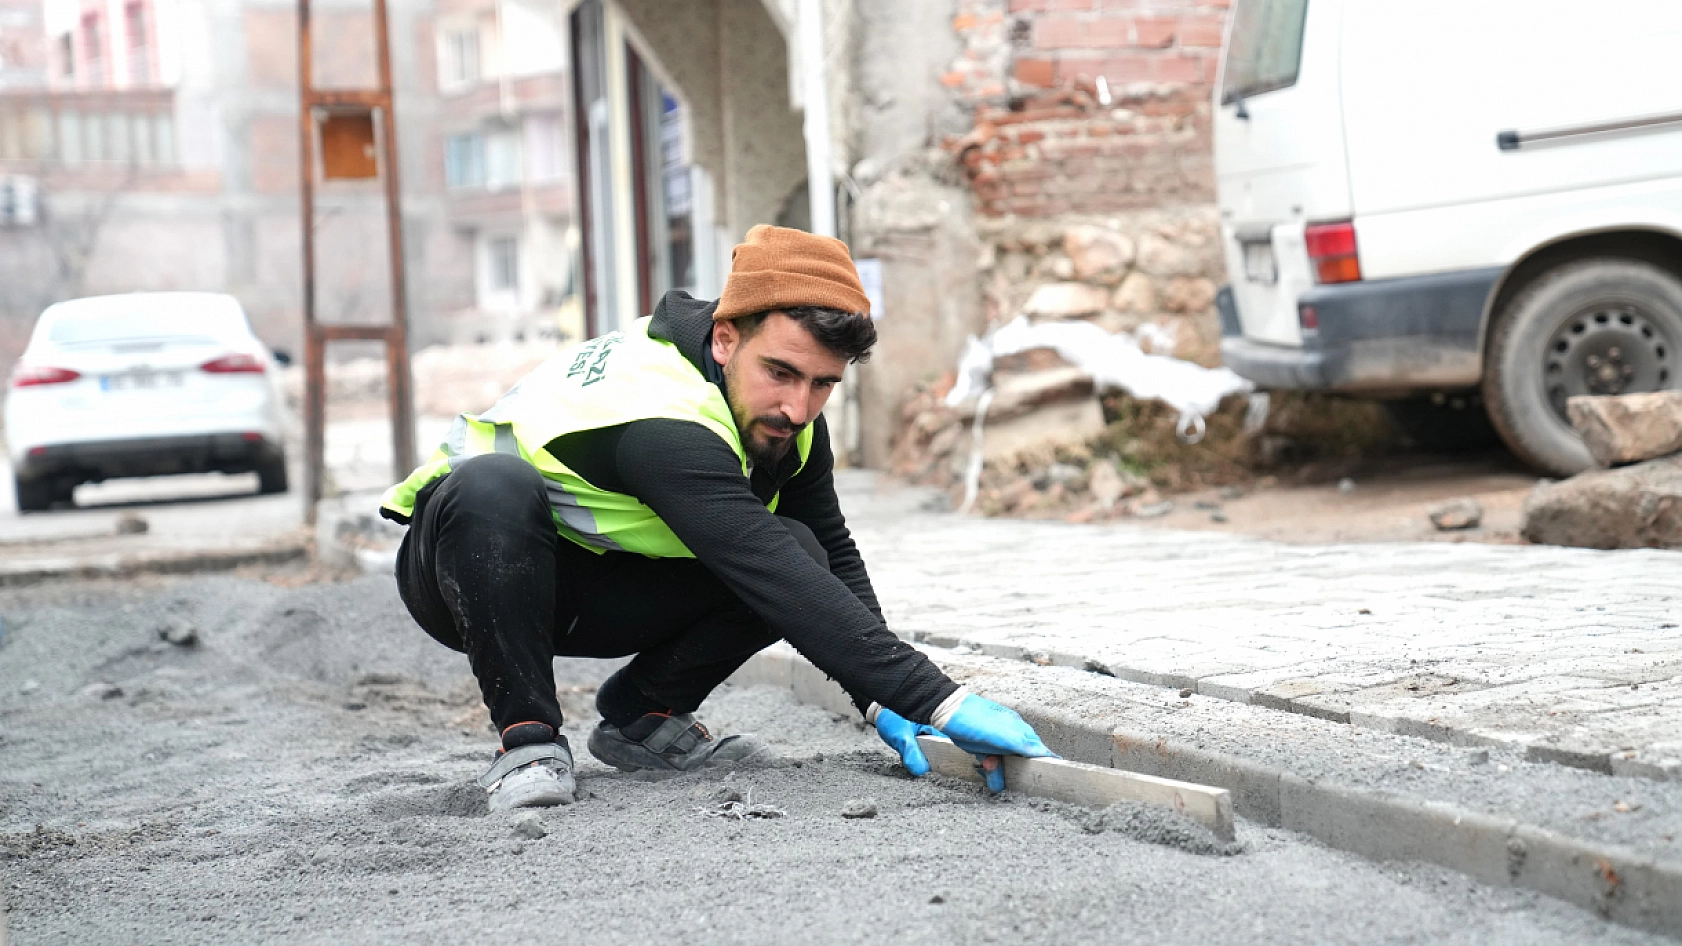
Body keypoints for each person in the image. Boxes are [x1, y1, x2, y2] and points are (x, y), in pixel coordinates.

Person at [381, 225, 1053, 811]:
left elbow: (828, 556)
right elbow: (762, 565)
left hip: (599, 584)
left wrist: (886, 703)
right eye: (783, 373)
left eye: (824, 383)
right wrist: (945, 701)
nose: (799, 406)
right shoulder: (663, 416)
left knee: (802, 545)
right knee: (496, 484)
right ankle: (525, 743)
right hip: (467, 573)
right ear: (726, 340)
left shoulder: (782, 418)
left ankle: (643, 717)